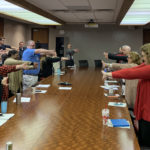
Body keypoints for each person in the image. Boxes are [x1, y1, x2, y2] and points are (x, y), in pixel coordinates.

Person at [102, 43, 150, 147]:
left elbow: (131, 74)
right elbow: (131, 69)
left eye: (144, 55)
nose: (142, 58)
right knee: (140, 140)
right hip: (143, 110)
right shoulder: (145, 65)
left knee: (145, 143)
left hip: (148, 113)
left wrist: (110, 74)